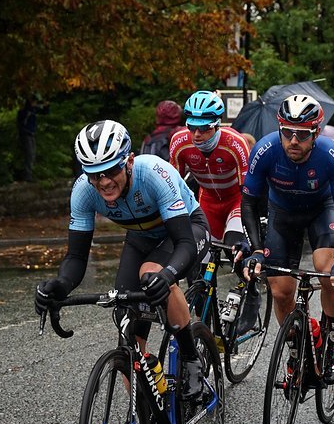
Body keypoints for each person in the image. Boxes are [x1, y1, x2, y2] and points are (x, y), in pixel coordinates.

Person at [35, 120, 210, 400]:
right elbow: (77, 256)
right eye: (94, 174)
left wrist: (166, 276)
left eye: (111, 170)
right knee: (127, 323)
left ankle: (191, 359)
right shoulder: (83, 191)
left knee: (151, 273)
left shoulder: (153, 172)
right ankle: (146, 413)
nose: (103, 181)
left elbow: (185, 243)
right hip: (140, 237)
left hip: (186, 229)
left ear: (128, 161)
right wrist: (61, 284)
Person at [239, 94, 334, 384]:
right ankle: (296, 348)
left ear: (315, 133)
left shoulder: (332, 156)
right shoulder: (265, 150)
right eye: (287, 132)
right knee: (280, 290)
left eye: (302, 134)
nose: (293, 140)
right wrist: (256, 250)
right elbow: (249, 203)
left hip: (322, 210)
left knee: (327, 271)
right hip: (282, 214)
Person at [168, 90, 260, 331]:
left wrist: (250, 234)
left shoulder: (235, 143)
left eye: (205, 128)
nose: (197, 135)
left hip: (236, 201)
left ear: (218, 124)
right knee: (195, 262)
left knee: (234, 249)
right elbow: (172, 190)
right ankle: (205, 323)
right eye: (192, 127)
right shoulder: (180, 142)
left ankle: (251, 293)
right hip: (207, 202)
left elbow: (250, 193)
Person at [16, 95, 48, 182]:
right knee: (29, 154)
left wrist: (45, 105)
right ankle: (27, 175)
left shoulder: (33, 110)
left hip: (31, 134)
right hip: (26, 134)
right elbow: (21, 122)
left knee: (32, 154)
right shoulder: (25, 111)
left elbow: (44, 112)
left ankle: (29, 174)